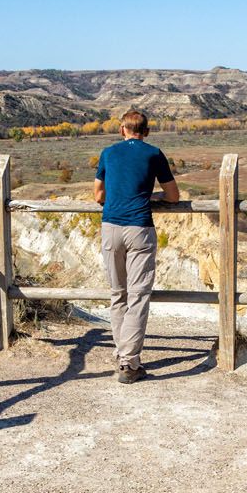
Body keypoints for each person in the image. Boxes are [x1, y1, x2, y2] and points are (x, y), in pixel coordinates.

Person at [94, 110, 180, 384]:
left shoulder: (108, 153)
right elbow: (173, 196)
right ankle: (129, 364)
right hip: (139, 228)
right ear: (147, 131)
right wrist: (147, 195)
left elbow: (98, 195)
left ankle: (123, 356)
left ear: (122, 130)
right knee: (138, 296)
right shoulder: (154, 153)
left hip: (111, 228)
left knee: (118, 294)